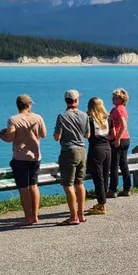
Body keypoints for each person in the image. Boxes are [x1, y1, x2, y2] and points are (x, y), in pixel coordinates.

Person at [0, 94, 47, 226]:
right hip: (36, 157)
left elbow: (9, 138)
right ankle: (35, 215)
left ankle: (28, 217)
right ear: (29, 104)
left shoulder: (13, 120)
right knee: (34, 186)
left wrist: (1, 134)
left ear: (17, 105)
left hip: (20, 158)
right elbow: (43, 134)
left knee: (24, 188)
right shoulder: (38, 117)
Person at [54, 90, 90, 226]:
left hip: (68, 151)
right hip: (82, 151)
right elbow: (87, 135)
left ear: (66, 101)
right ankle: (81, 214)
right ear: (76, 100)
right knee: (79, 183)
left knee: (68, 184)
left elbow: (57, 136)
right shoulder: (84, 115)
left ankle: (73, 216)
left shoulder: (62, 117)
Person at [86, 97, 112, 215]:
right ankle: (102, 202)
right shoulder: (108, 117)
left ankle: (101, 205)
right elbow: (113, 134)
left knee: (98, 178)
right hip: (107, 148)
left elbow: (87, 135)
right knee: (105, 175)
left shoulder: (90, 119)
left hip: (96, 149)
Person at [107, 88, 131, 198]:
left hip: (118, 139)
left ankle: (112, 190)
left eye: (114, 97)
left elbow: (123, 125)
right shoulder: (123, 109)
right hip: (126, 139)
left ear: (121, 99)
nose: (112, 98)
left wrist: (117, 139)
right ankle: (127, 188)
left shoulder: (118, 109)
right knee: (123, 164)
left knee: (114, 165)